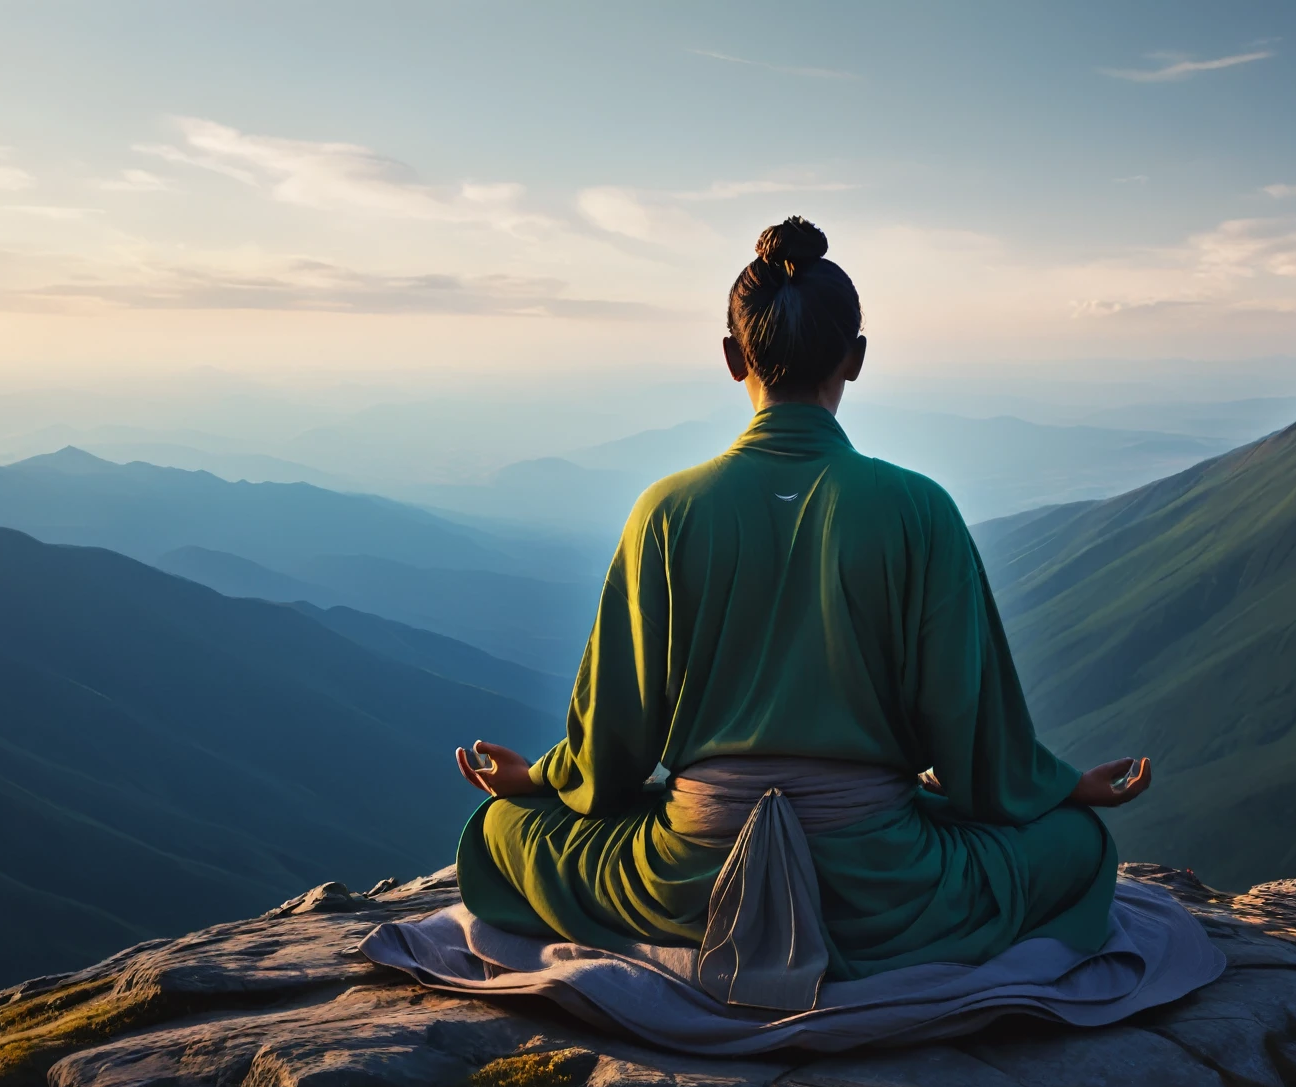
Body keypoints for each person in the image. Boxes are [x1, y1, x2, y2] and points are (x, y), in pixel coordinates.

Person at [452, 216, 1150, 1010]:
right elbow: (972, 748)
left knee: (499, 836)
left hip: (687, 877)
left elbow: (612, 754)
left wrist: (541, 779)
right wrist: (1058, 791)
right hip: (886, 886)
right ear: (854, 359)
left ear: (730, 358)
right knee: (1081, 845)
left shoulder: (666, 511)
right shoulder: (918, 510)